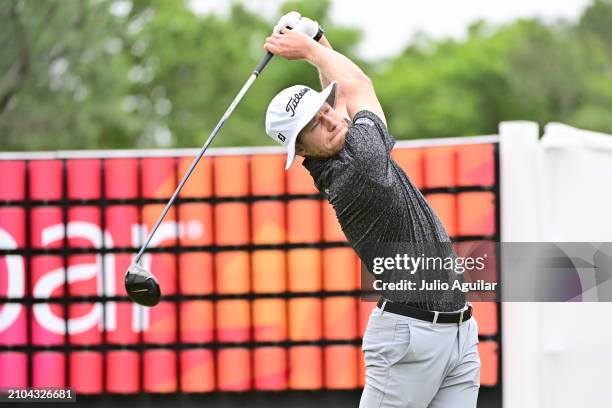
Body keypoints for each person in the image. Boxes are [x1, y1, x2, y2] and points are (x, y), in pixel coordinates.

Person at [264, 12, 481, 408]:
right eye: (314, 124)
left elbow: (340, 93)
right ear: (300, 150)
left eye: (325, 109)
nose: (329, 119)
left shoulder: (341, 144)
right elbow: (357, 86)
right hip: (408, 340)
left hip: (458, 331)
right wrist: (309, 48)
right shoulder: (357, 169)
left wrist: (318, 42)